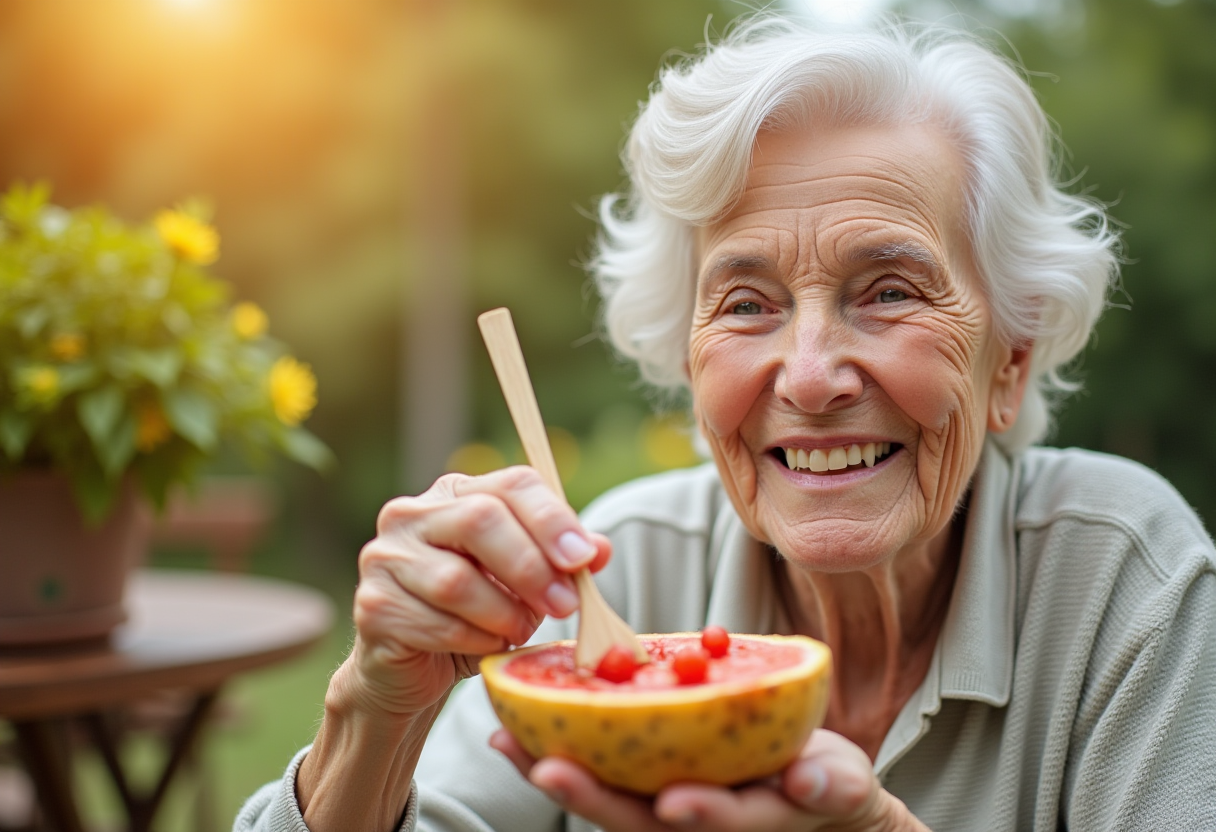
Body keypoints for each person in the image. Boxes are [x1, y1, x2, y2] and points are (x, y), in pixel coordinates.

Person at [236, 14, 1216, 832]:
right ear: (690, 355)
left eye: (887, 290)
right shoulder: (622, 567)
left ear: (1009, 358)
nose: (812, 373)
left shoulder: (1124, 579)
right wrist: (373, 710)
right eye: (746, 304)